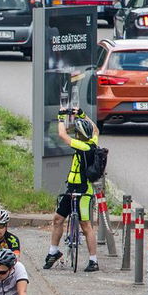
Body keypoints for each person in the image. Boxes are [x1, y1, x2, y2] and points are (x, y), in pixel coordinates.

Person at [45, 109, 102, 271]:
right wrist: (82, 114)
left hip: (83, 189)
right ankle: (53, 252)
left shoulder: (83, 146)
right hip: (71, 188)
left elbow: (63, 136)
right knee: (58, 219)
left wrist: (61, 118)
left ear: (79, 134)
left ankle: (93, 261)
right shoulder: (93, 141)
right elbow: (96, 129)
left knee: (86, 224)